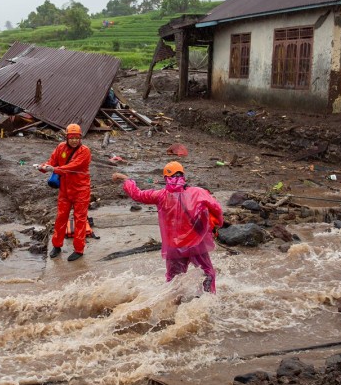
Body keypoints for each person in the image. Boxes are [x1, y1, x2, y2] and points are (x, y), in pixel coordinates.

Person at [112, 161, 223, 293]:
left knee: (173, 281)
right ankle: (207, 301)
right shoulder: (198, 192)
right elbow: (217, 209)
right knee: (208, 273)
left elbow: (138, 194)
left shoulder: (160, 195)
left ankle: (172, 306)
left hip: (174, 248)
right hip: (196, 245)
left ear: (165, 178)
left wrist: (126, 180)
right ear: (183, 175)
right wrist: (216, 225)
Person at [39, 123, 92, 261]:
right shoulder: (60, 147)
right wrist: (43, 167)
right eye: (71, 137)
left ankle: (79, 249)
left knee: (80, 219)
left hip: (81, 190)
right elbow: (52, 161)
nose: (74, 140)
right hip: (65, 189)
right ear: (67, 137)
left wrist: (54, 169)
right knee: (61, 217)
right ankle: (56, 245)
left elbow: (72, 166)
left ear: (80, 138)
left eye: (77, 138)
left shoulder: (85, 151)